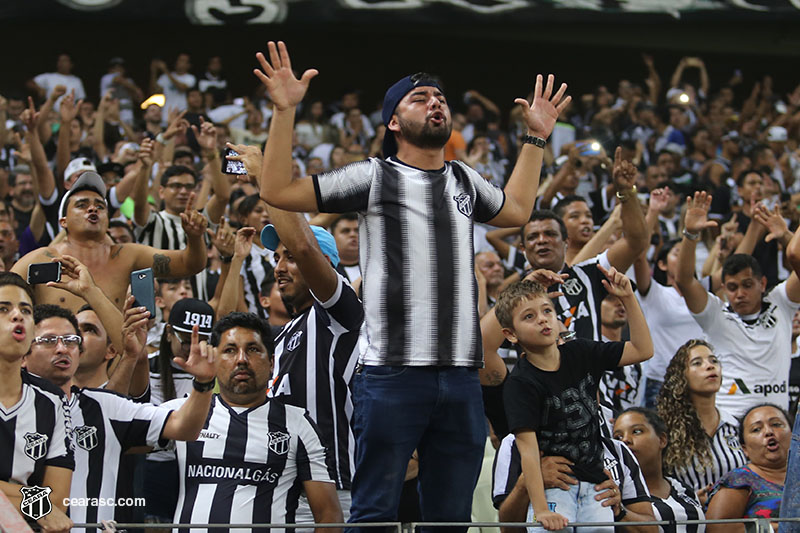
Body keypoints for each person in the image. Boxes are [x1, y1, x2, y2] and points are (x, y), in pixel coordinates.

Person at [253, 40, 570, 530]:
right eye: (419, 98)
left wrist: (535, 138)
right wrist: (283, 111)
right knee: (375, 512)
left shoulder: (464, 179)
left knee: (449, 518)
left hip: (461, 376)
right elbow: (277, 192)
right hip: (392, 374)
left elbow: (516, 210)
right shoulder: (373, 176)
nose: (435, 102)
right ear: (393, 123)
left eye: (439, 97)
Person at [23, 301, 215, 531]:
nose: (62, 348)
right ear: (23, 353)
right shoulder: (8, 410)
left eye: (71, 341)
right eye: (49, 340)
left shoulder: (105, 406)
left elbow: (184, 427)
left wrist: (204, 383)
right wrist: (44, 511)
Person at [498, 266, 653, 531]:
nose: (543, 320)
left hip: (596, 485)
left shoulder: (580, 351)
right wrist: (542, 509)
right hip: (553, 487)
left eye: (547, 311)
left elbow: (642, 349)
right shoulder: (520, 383)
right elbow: (528, 450)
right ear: (511, 334)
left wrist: (628, 297)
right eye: (529, 316)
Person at [162, 311, 343, 530]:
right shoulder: (184, 412)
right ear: (215, 360)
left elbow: (329, 516)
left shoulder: (298, 424)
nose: (241, 359)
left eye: (253, 349)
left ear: (271, 363)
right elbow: (120, 433)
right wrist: (134, 357)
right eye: (229, 350)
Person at [675, 191, 800, 416]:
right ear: (723, 288)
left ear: (763, 284)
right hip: (730, 431)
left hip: (776, 424)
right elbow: (684, 281)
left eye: (747, 285)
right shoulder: (714, 315)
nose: (740, 293)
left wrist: (785, 235)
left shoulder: (781, 302)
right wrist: (691, 233)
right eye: (732, 287)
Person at [11, 171, 208, 311]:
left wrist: (195, 237)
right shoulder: (42, 259)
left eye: (100, 206)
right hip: (54, 363)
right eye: (82, 205)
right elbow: (6, 295)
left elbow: (190, 264)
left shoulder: (127, 255)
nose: (92, 209)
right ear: (64, 221)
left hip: (113, 365)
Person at [0, 272, 74, 533]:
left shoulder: (52, 401)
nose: (18, 316)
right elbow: (48, 506)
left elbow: (58, 500)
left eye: (26, 310)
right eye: (3, 309)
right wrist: (39, 506)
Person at [656, 339, 747, 494]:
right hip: (690, 515)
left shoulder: (736, 426)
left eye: (714, 361)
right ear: (681, 376)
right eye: (697, 363)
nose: (710, 366)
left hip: (738, 515)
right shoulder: (664, 429)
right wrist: (692, 499)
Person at [613, 408, 706, 533]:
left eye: (636, 431)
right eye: (618, 437)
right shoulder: (616, 496)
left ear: (662, 440)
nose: (625, 440)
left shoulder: (683, 489)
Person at [705, 404, 791, 533]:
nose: (768, 432)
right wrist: (783, 528)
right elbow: (717, 528)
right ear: (744, 449)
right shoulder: (739, 480)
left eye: (776, 424)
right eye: (756, 429)